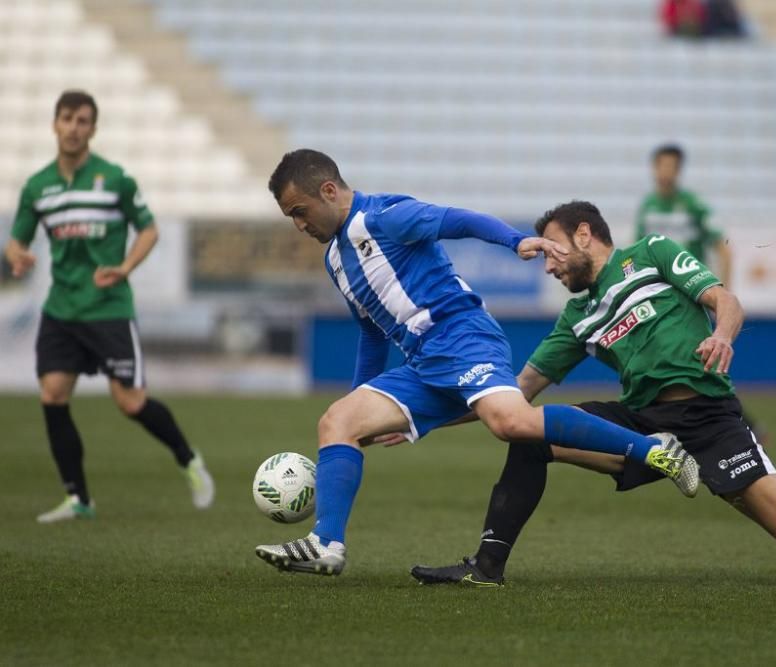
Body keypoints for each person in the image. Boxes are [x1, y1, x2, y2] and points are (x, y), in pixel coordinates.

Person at [410, 200, 776, 586]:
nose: (547, 263)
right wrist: (421, 420)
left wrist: (721, 334)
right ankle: (487, 568)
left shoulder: (653, 254)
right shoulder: (576, 318)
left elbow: (726, 299)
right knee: (531, 432)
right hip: (639, 427)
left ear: (584, 233)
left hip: (710, 420)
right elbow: (511, 394)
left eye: (553, 248)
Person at [253, 150, 700, 577]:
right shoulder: (335, 259)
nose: (298, 224)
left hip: (464, 336)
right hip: (423, 362)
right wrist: (361, 405)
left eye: (299, 210)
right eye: (290, 216)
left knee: (510, 424)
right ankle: (326, 544)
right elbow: (372, 333)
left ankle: (655, 449)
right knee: (338, 421)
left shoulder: (384, 216)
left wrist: (515, 240)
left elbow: (457, 219)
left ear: (329, 190)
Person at [3, 90, 214, 522]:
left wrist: (125, 266)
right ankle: (79, 498)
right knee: (52, 395)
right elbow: (17, 240)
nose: (74, 127)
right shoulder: (38, 187)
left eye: (83, 121)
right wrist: (17, 256)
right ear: (54, 124)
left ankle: (187, 457)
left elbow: (150, 231)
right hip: (61, 310)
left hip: (109, 309)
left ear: (93, 129)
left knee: (131, 402)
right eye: (67, 118)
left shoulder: (115, 180)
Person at [635, 144, 732, 292]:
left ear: (678, 170)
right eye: (661, 165)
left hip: (691, 291)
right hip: (658, 292)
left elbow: (723, 249)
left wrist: (724, 294)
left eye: (670, 166)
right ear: (654, 167)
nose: (665, 171)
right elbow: (638, 251)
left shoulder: (693, 205)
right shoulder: (648, 206)